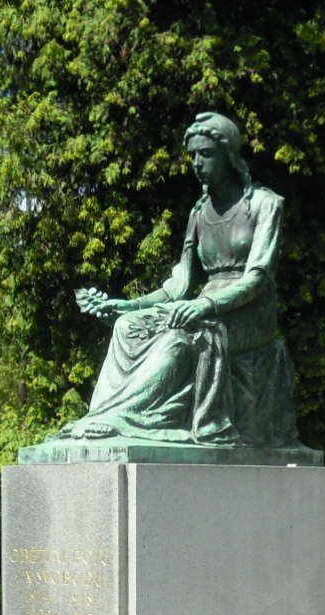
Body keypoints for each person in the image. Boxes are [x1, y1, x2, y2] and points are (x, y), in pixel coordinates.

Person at [56, 112, 303, 447]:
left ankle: (124, 419)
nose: (197, 163)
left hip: (249, 312)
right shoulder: (199, 212)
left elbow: (259, 278)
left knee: (182, 339)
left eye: (206, 154)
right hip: (201, 303)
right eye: (192, 156)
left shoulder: (264, 204)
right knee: (127, 327)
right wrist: (129, 305)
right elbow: (179, 283)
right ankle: (100, 416)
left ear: (229, 155)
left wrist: (206, 304)